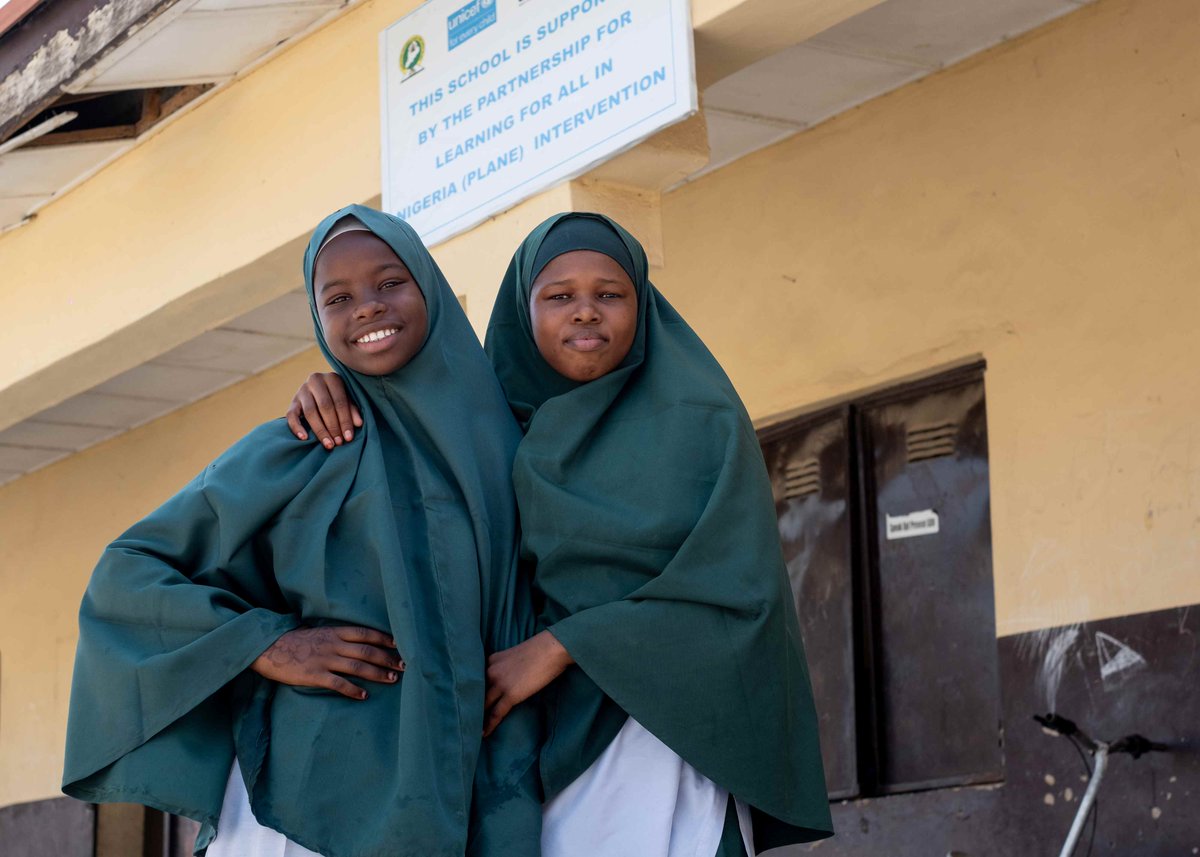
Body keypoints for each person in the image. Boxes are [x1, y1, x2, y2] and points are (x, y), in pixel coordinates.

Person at [285, 212, 833, 856]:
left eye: (610, 293)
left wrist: (560, 647)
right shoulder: (492, 430)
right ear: (524, 309)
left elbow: (737, 596)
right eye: (558, 296)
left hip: (661, 724)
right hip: (526, 747)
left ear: (643, 303)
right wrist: (332, 384)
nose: (584, 313)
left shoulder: (701, 422)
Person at [63, 206, 542, 857]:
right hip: (311, 802)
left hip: (492, 787)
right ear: (318, 319)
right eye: (337, 297)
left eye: (389, 282)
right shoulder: (305, 442)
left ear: (428, 284)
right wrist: (265, 643)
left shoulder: (513, 440)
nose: (367, 307)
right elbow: (128, 571)